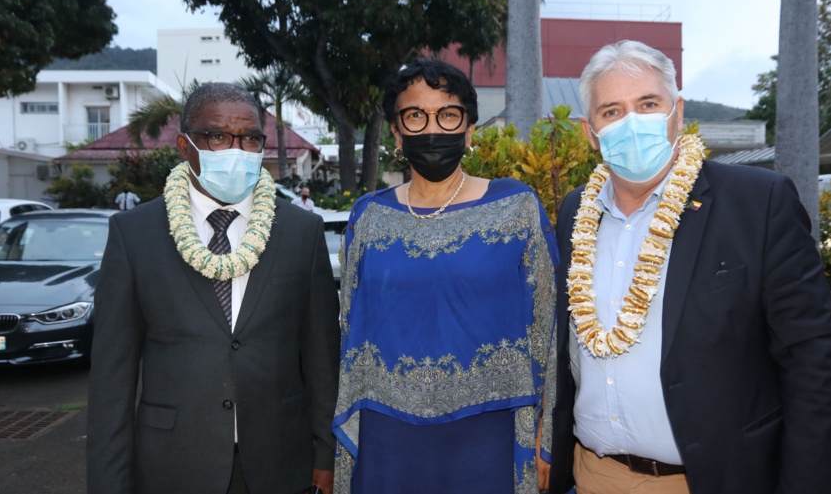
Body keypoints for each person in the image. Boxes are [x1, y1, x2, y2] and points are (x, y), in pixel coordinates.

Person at [547, 40, 831, 494]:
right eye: (612, 111)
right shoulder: (573, 213)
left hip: (711, 480)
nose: (632, 123)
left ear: (676, 113)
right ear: (590, 131)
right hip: (593, 475)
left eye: (648, 104)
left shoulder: (758, 202)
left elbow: (812, 362)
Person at [87, 83, 340, 494]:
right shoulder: (135, 235)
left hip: (281, 464)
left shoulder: (301, 231)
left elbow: (322, 359)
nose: (237, 150)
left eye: (250, 138)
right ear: (185, 146)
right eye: (218, 136)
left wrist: (327, 456)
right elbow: (111, 380)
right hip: (173, 465)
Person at [332, 59, 558, 494]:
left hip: (489, 434)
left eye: (448, 115)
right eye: (415, 115)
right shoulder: (369, 216)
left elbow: (548, 328)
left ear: (470, 128)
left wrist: (544, 439)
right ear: (396, 132)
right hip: (386, 435)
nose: (431, 128)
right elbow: (348, 329)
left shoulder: (517, 208)